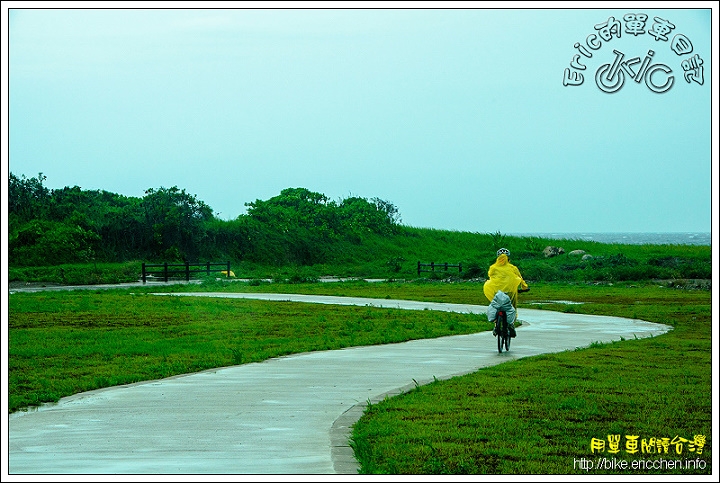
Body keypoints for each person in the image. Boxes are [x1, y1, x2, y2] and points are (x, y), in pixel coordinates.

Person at [483, 248, 529, 337]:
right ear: (509, 259)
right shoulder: (513, 268)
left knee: (495, 305)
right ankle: (511, 324)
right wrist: (524, 287)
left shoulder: (493, 267)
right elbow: (520, 278)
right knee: (512, 307)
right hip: (510, 292)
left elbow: (490, 276)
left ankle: (496, 325)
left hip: (496, 292)